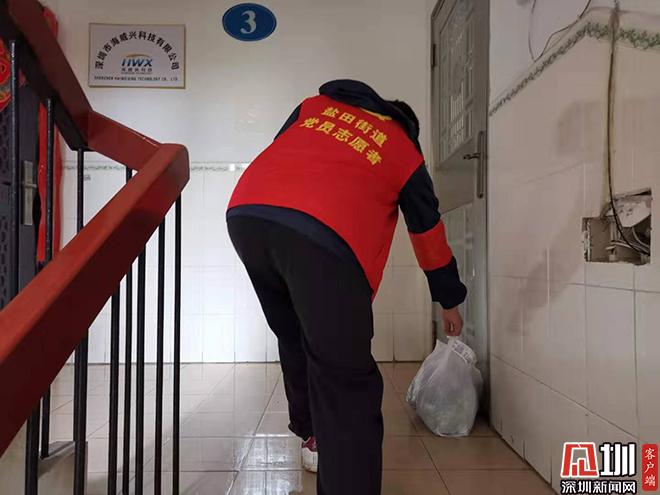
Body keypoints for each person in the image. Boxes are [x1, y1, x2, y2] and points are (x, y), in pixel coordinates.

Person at [226, 79, 467, 495]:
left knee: (296, 335)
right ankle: (339, 463)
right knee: (347, 381)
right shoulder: (402, 147)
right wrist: (450, 299)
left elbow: (283, 152)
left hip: (249, 213)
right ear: (407, 126)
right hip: (322, 235)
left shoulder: (314, 106)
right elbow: (427, 229)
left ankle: (314, 433)